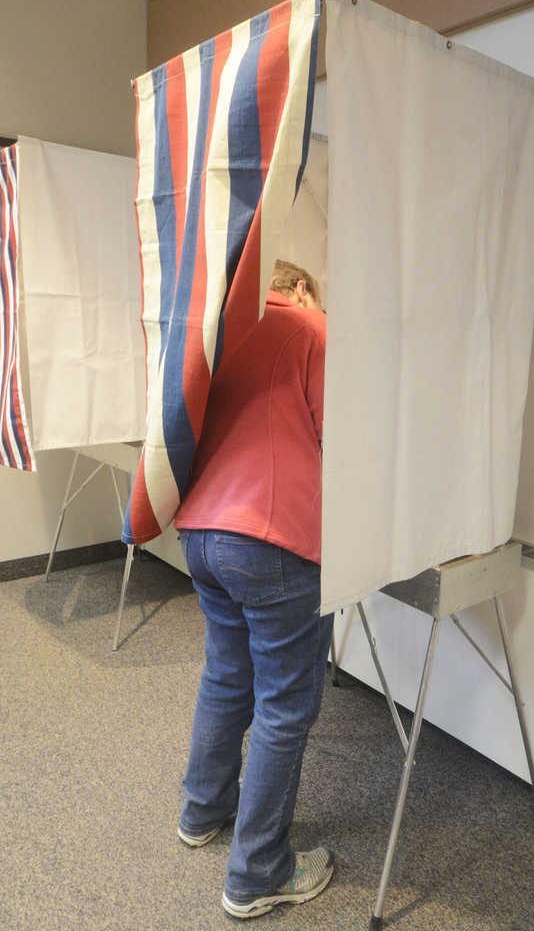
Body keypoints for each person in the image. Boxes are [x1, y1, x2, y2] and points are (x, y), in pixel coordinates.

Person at [173, 261, 334, 920]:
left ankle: (202, 811)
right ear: (300, 289)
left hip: (201, 532)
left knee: (226, 677)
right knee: (284, 705)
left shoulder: (218, 330)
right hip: (272, 537)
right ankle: (258, 873)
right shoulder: (311, 329)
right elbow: (340, 435)